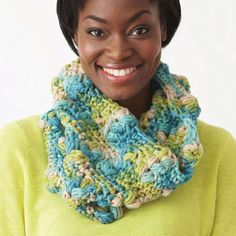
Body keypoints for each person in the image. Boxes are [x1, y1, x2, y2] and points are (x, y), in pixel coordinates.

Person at [0, 0, 235, 235]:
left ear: (162, 28)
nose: (119, 51)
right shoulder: (18, 148)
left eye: (139, 30)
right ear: (74, 34)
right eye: (97, 32)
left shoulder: (217, 152)